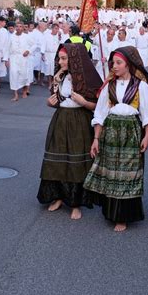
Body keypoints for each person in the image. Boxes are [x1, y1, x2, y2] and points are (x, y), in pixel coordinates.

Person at [83, 46, 148, 232]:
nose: (114, 66)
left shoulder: (141, 86)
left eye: (118, 63)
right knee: (111, 170)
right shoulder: (109, 85)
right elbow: (99, 113)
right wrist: (96, 139)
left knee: (128, 172)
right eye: (113, 63)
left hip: (131, 132)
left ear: (128, 65)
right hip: (111, 131)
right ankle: (111, 211)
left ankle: (124, 216)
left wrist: (147, 136)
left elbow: (147, 115)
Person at [37, 44, 103, 219]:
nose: (60, 61)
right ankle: (57, 196)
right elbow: (58, 99)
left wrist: (84, 102)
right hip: (61, 119)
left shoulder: (87, 78)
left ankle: (75, 203)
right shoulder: (62, 76)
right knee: (57, 158)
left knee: (76, 161)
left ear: (74, 59)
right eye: (59, 58)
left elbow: (99, 106)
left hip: (79, 121)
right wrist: (50, 102)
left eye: (64, 58)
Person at [7, 22, 31, 101]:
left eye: (20, 26)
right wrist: (6, 59)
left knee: (23, 75)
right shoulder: (11, 37)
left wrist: (28, 51)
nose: (18, 28)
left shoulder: (27, 37)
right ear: (15, 28)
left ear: (23, 28)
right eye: (17, 26)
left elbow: (34, 45)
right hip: (13, 58)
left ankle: (24, 91)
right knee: (14, 74)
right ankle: (16, 94)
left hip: (23, 58)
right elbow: (6, 48)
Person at [42, 23, 60, 89]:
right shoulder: (46, 36)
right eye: (55, 28)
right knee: (48, 69)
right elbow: (43, 44)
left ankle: (54, 83)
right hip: (48, 54)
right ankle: (49, 83)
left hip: (55, 54)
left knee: (54, 69)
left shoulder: (59, 36)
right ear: (52, 29)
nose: (57, 30)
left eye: (58, 29)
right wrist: (42, 54)